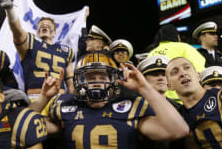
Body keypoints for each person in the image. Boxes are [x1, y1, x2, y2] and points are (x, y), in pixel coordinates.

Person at [44, 52, 189, 148]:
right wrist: (44, 97)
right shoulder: (65, 105)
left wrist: (145, 88)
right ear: (78, 81)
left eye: (102, 77)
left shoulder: (131, 105)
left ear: (114, 80)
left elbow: (179, 130)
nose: (96, 82)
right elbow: (23, 126)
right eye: (90, 77)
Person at [0, 0, 75, 95]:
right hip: (35, 97)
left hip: (59, 100)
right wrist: (10, 10)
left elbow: (70, 82)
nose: (44, 26)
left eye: (48, 25)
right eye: (41, 25)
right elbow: (17, 31)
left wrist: (72, 99)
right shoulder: (30, 42)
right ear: (37, 32)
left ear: (54, 33)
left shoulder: (66, 51)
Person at [166, 57, 222, 148]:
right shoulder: (178, 120)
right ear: (169, 86)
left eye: (187, 67)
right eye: (175, 72)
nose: (183, 73)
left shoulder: (219, 96)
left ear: (198, 76)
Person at [148, 24, 206, 103]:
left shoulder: (151, 53)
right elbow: (201, 72)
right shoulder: (185, 47)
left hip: (160, 102)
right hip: (186, 100)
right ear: (177, 36)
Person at [137, 55, 184, 149]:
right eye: (155, 74)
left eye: (164, 74)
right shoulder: (133, 107)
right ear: (143, 79)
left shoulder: (181, 109)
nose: (161, 78)